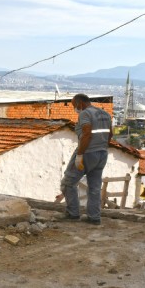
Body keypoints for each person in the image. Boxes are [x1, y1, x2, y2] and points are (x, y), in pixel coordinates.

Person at [59, 94, 112, 225]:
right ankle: (94, 217)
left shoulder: (85, 114)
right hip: (102, 154)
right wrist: (102, 147)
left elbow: (87, 133)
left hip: (87, 153)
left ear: (80, 103)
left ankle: (73, 213)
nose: (74, 108)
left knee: (68, 183)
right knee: (94, 187)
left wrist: (80, 155)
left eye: (74, 105)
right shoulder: (105, 114)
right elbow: (110, 134)